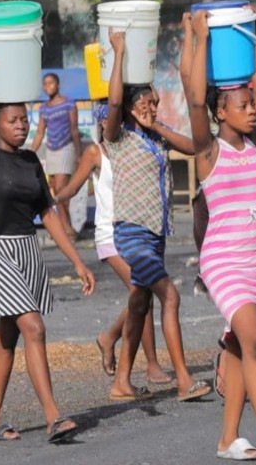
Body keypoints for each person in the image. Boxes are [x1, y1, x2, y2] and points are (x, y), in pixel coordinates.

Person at [0, 12, 95, 444]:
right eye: (13, 120)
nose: (21, 125)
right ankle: (54, 415)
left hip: (27, 252)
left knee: (7, 337)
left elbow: (50, 215)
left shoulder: (31, 162)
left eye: (25, 120)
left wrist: (78, 261)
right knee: (34, 328)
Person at [183, 9, 256, 461]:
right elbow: (192, 99)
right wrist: (200, 38)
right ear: (221, 111)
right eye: (244, 105)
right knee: (254, 340)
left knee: (238, 342)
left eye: (253, 104)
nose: (252, 110)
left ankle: (228, 439)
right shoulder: (209, 150)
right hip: (222, 260)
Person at [103, 29, 211, 404]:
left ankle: (120, 381)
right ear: (131, 108)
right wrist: (119, 54)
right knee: (170, 296)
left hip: (155, 235)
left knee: (140, 302)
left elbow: (199, 147)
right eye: (147, 103)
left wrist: (159, 125)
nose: (153, 107)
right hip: (132, 234)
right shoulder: (116, 137)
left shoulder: (155, 137)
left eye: (156, 101)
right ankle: (184, 380)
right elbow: (114, 102)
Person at [53, 102, 171, 385]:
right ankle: (138, 357)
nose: (114, 125)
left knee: (143, 294)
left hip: (139, 229)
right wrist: (51, 199)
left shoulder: (134, 148)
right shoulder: (96, 152)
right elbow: (71, 189)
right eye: (109, 121)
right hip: (109, 234)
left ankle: (120, 345)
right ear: (103, 124)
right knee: (141, 290)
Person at [31, 72, 81, 238]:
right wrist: (30, 153)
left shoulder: (69, 104)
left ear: (57, 85)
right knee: (55, 190)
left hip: (66, 148)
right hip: (51, 150)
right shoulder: (44, 109)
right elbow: (39, 133)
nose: (47, 87)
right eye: (45, 84)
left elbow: (74, 130)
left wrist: (79, 154)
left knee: (60, 190)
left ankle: (66, 229)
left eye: (50, 83)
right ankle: (65, 227)